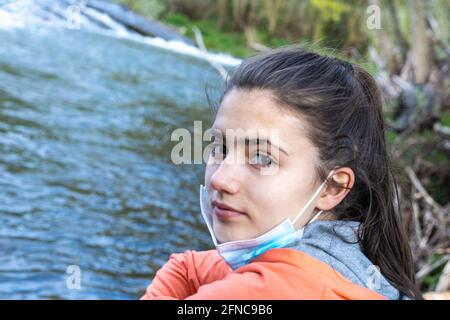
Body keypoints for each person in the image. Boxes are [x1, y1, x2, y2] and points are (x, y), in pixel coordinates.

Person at [141, 46, 422, 300]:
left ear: (332, 188)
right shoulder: (354, 269)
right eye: (219, 147)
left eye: (263, 158)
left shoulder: (268, 291)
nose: (219, 179)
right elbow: (186, 265)